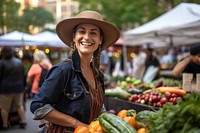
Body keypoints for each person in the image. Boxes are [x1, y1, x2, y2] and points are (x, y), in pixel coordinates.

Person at [30, 10, 120, 132]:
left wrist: (116, 122)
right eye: (82, 31)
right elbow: (38, 105)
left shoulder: (98, 76)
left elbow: (98, 109)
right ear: (74, 37)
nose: (87, 37)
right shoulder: (63, 70)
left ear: (100, 40)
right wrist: (77, 124)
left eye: (93, 33)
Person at [0, 46, 26, 130]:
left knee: (4, 107)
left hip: (5, 89)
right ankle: (22, 121)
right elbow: (23, 76)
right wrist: (24, 86)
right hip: (18, 88)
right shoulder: (19, 62)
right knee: (19, 105)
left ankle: (5, 124)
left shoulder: (1, 63)